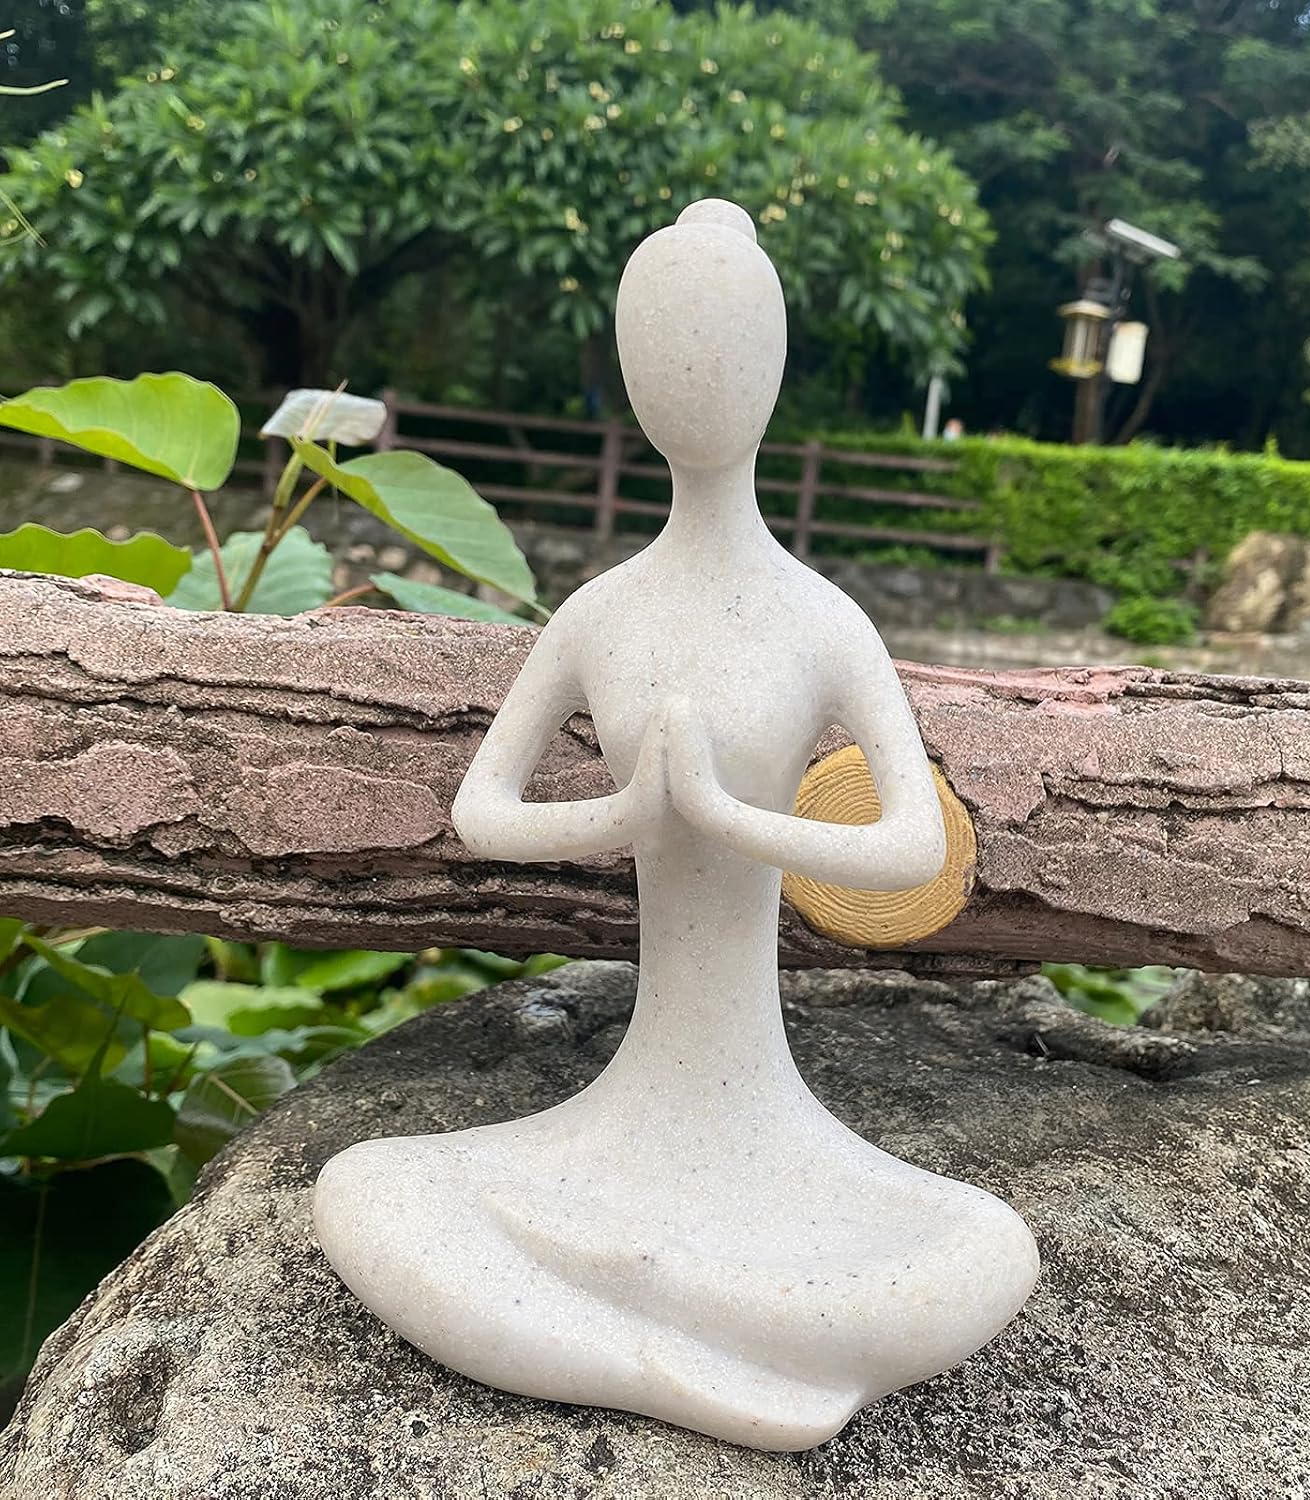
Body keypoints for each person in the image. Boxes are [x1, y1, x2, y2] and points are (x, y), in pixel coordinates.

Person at [314, 199, 1037, 1451]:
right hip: (622, 1105)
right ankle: (670, 1353)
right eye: (664, 345)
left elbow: (914, 850)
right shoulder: (601, 612)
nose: (696, 376)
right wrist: (630, 810)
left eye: (724, 342)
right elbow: (481, 813)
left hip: (768, 1102)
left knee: (987, 1249)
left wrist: (731, 818)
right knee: (364, 1190)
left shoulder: (821, 619)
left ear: (773, 365)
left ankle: (654, 1307)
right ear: (631, 372)